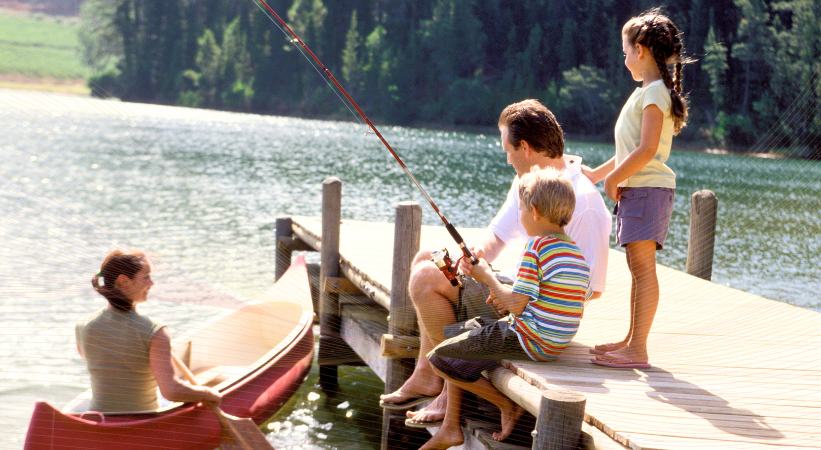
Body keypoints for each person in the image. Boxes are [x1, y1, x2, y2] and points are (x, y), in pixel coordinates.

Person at [379, 99, 611, 428]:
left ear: (526, 148)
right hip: (514, 287)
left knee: (425, 279)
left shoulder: (582, 201)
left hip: (530, 311)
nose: (507, 158)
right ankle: (426, 375)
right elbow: (497, 236)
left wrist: (503, 288)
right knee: (426, 258)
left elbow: (587, 289)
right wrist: (475, 256)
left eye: (508, 150)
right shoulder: (531, 184)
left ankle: (445, 388)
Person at [420, 167, 592, 449]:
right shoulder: (573, 251)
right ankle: (475, 362)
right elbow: (542, 301)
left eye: (521, 209)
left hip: (529, 340)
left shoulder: (536, 247)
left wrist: (486, 276)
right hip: (554, 342)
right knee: (465, 329)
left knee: (439, 358)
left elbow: (515, 303)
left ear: (534, 211)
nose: (521, 216)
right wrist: (502, 298)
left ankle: (506, 406)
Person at [583, 8, 688, 369]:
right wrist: (598, 175)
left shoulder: (655, 93)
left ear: (641, 50)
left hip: (647, 191)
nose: (624, 57)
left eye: (625, 50)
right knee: (636, 268)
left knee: (644, 270)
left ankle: (638, 349)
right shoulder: (649, 91)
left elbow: (645, 151)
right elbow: (628, 151)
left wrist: (613, 180)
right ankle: (630, 340)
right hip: (639, 190)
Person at [76, 249, 221, 412]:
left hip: (101, 418)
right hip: (142, 419)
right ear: (124, 281)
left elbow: (111, 367)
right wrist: (210, 393)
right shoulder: (155, 331)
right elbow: (171, 392)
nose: (152, 283)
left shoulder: (83, 326)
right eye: (146, 277)